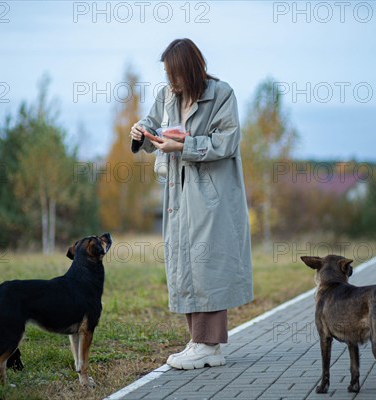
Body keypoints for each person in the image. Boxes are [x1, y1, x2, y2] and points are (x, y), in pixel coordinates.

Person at [130, 38, 253, 370]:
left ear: (191, 69)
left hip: (210, 195)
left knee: (207, 265)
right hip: (177, 194)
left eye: (176, 73)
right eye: (168, 74)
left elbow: (227, 141)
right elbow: (152, 125)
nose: (171, 81)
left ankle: (207, 344)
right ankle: (200, 343)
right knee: (184, 262)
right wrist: (141, 132)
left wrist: (183, 146)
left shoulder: (221, 93)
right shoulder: (168, 95)